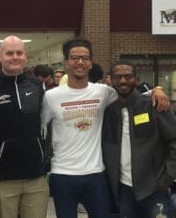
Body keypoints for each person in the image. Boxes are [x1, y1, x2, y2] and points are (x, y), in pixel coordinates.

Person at [41, 38, 169, 218]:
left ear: (91, 63)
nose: (80, 62)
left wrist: (157, 88)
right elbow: (40, 130)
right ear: (66, 62)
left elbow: (131, 92)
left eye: (85, 58)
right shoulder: (50, 97)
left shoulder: (103, 92)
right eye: (74, 57)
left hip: (96, 175)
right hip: (62, 174)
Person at [0, 35, 49, 218]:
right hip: (2, 176)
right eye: (9, 53)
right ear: (0, 56)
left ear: (25, 56)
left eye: (19, 53)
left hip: (35, 175)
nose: (15, 57)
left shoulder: (36, 86)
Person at [102, 61, 176, 218]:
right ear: (111, 80)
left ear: (136, 79)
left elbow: (174, 140)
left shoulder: (154, 105)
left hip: (154, 188)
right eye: (118, 77)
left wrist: (167, 177)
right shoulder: (107, 111)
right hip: (123, 190)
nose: (123, 81)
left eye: (128, 76)